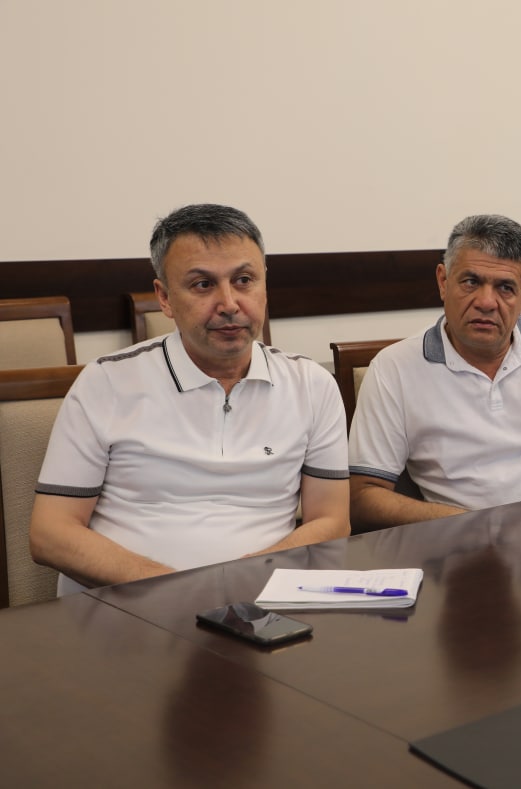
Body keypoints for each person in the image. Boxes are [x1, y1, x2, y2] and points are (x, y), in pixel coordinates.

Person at [30, 204, 350, 595]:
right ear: (164, 298)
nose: (229, 303)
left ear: (265, 285)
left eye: (244, 280)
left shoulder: (312, 385)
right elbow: (50, 534)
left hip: (260, 604)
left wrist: (244, 587)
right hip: (126, 607)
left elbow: (332, 521)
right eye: (202, 285)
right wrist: (182, 591)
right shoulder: (106, 382)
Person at [348, 214, 521, 527]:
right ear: (443, 281)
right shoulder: (394, 369)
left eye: (505, 288)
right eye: (471, 282)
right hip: (467, 545)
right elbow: (362, 497)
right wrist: (472, 526)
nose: (486, 302)